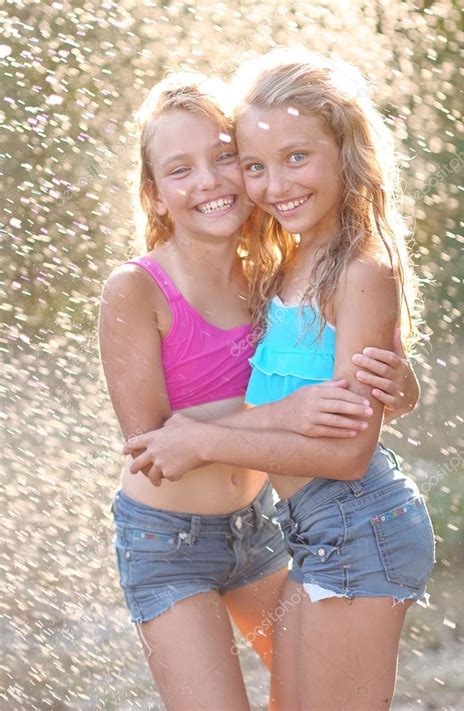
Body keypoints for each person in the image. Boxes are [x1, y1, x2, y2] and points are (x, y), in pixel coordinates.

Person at [125, 52, 434, 710]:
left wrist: (204, 440)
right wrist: (211, 430)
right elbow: (306, 397)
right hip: (311, 531)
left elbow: (349, 450)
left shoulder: (358, 269)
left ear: (346, 152)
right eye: (257, 164)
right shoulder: (287, 260)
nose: (273, 183)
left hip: (359, 527)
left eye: (298, 157)